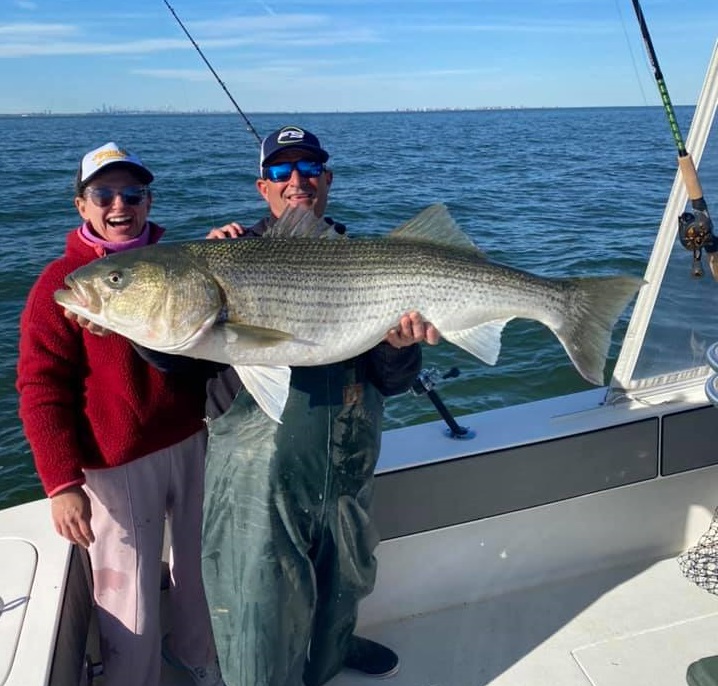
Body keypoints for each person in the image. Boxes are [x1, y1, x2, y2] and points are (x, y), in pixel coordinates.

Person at [198, 125, 440, 686]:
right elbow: (173, 359)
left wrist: (400, 347)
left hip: (346, 460)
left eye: (309, 170)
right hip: (259, 476)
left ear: (328, 180)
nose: (297, 181)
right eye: (282, 172)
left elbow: (393, 380)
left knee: (346, 577)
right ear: (264, 187)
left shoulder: (364, 259)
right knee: (258, 599)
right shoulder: (222, 257)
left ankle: (333, 655)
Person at [16, 142, 224, 686]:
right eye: (103, 194)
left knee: (202, 569)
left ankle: (199, 659)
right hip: (117, 463)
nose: (119, 205)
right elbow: (40, 388)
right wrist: (62, 482)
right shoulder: (61, 286)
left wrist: (241, 243)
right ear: (81, 206)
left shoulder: (184, 262)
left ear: (148, 202)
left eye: (132, 193)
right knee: (127, 592)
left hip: (194, 441)